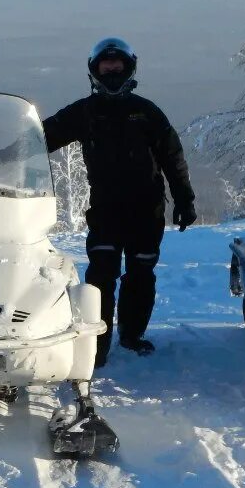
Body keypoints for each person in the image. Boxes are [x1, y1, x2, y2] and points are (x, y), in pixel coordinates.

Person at [41, 37, 196, 367]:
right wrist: (5, 153)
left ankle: (131, 335)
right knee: (101, 275)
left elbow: (173, 157)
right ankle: (96, 346)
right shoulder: (84, 112)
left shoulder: (147, 112)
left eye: (118, 65)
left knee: (141, 273)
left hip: (147, 208)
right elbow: (42, 137)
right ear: (95, 70)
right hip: (106, 209)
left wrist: (184, 198)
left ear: (129, 68)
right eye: (106, 65)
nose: (112, 70)